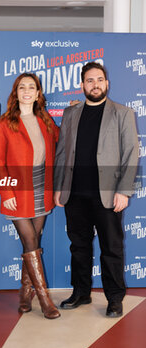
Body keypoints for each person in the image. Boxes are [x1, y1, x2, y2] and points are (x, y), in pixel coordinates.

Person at [54, 62, 138, 317]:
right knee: (78, 247)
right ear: (82, 85)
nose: (95, 84)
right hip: (75, 193)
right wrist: (59, 187)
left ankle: (114, 298)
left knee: (111, 248)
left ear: (107, 83)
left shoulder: (122, 113)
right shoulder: (70, 114)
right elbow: (61, 153)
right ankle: (81, 292)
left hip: (109, 194)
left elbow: (131, 154)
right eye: (89, 80)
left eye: (99, 79)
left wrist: (124, 190)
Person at [0, 73, 60, 319]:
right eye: (22, 87)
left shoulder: (46, 120)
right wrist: (6, 191)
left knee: (32, 242)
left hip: (43, 187)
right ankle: (44, 299)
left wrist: (75, 112)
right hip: (18, 190)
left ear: (38, 93)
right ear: (16, 92)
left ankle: (24, 293)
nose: (27, 91)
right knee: (30, 241)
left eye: (32, 87)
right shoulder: (6, 122)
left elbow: (63, 140)